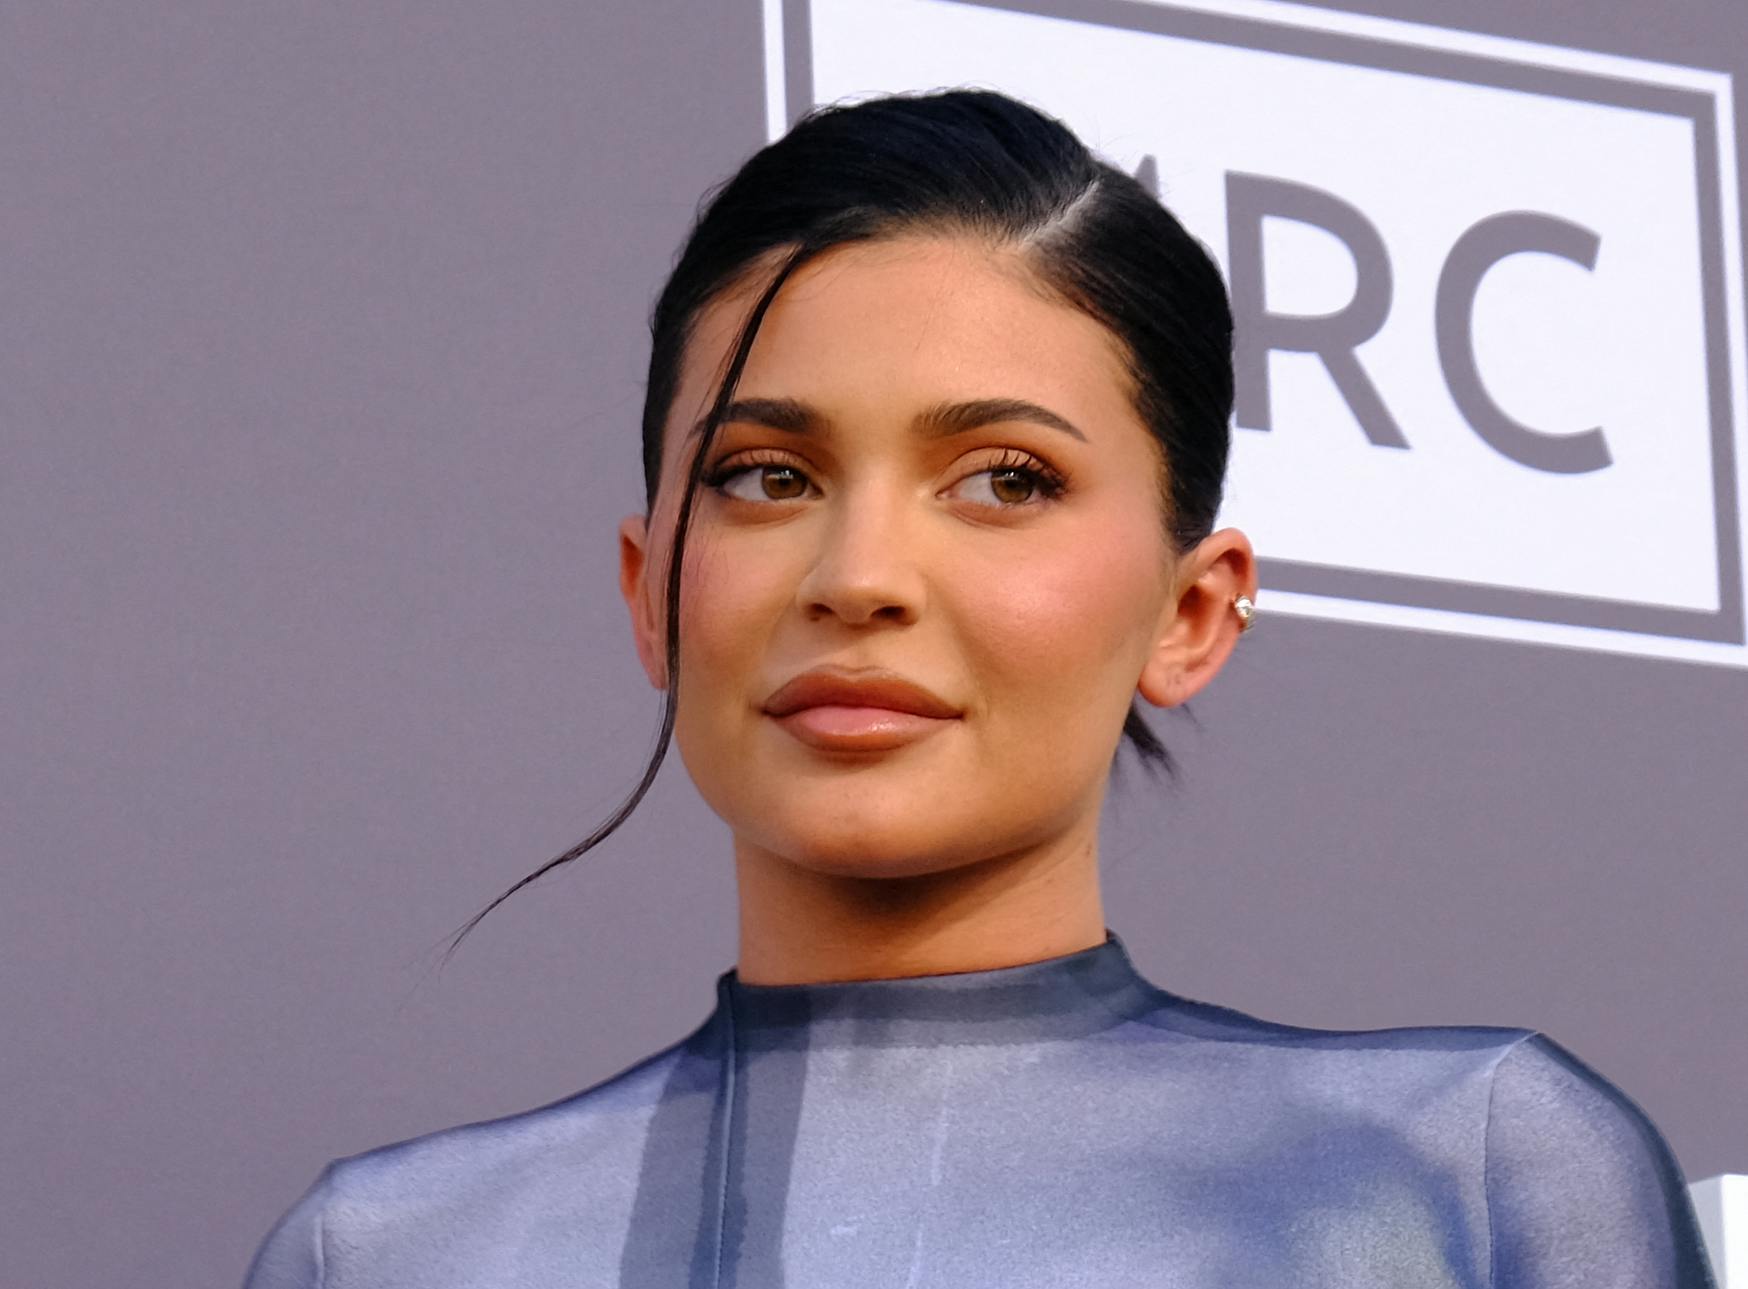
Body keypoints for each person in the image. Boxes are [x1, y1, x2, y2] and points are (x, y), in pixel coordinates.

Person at [244, 89, 1717, 1288]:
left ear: (1192, 612)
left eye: (1006, 480)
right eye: (767, 475)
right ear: (649, 593)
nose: (859, 575)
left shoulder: (1471, 1176)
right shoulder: (387, 1256)